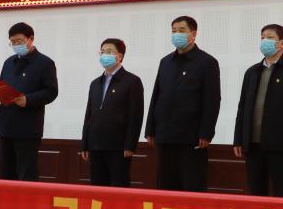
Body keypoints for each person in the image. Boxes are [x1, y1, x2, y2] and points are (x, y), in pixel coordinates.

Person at [145, 15, 220, 191]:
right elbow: (156, 96)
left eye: (181, 30)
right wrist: (150, 128)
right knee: (166, 188)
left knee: (192, 186)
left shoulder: (207, 62)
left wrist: (206, 132)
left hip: (191, 138)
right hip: (165, 136)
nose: (176, 34)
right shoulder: (165, 62)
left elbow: (212, 100)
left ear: (193, 34)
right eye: (174, 31)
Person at [233, 24, 283, 197]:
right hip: (252, 145)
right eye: (262, 37)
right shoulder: (252, 72)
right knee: (256, 193)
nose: (264, 41)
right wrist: (238, 139)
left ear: (282, 43)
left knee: (282, 192)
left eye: (270, 37)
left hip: (280, 146)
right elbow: (242, 107)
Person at [0, 22, 57, 181]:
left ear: (31, 39)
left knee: (26, 174)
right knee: (6, 174)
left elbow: (51, 92)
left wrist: (28, 100)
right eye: (13, 42)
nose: (16, 45)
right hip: (5, 126)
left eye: (19, 41)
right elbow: (2, 88)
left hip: (28, 128)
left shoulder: (45, 63)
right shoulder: (8, 62)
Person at [79, 38, 144, 186]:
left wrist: (130, 145)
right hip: (95, 145)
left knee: (118, 187)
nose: (104, 55)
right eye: (102, 52)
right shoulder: (95, 83)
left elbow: (136, 115)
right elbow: (89, 115)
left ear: (119, 56)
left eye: (109, 51)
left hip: (118, 146)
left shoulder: (132, 81)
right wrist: (85, 144)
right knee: (98, 187)